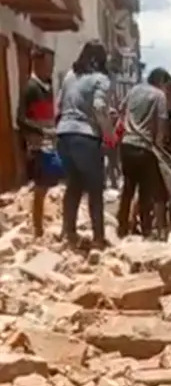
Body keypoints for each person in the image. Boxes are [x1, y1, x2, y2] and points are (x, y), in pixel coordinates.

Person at [56, 40, 114, 247]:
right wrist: (109, 134)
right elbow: (99, 107)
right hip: (86, 137)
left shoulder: (70, 76)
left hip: (64, 134)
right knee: (95, 188)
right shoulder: (101, 79)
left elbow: (59, 105)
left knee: (73, 185)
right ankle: (98, 238)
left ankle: (68, 232)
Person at [118, 67, 171, 238]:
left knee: (127, 189)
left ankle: (122, 227)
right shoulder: (159, 96)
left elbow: (121, 109)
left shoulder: (134, 90)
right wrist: (159, 146)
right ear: (161, 81)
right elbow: (162, 122)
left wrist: (129, 125)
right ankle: (146, 230)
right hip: (145, 147)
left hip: (127, 144)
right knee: (145, 192)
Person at [17, 47, 56, 239]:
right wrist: (41, 131)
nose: (51, 69)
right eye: (48, 64)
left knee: (49, 184)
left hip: (50, 144)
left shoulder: (48, 87)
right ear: (38, 64)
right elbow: (20, 119)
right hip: (37, 146)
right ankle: (37, 229)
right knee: (40, 187)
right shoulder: (30, 88)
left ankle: (42, 225)